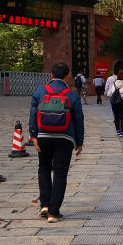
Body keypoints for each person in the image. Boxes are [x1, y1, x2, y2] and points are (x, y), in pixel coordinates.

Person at [28, 62, 84, 222]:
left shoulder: (40, 91)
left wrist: (34, 136)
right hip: (65, 138)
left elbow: (33, 115)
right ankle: (53, 212)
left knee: (44, 168)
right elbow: (79, 120)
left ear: (51, 75)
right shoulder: (72, 95)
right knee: (60, 173)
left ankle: (44, 204)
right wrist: (79, 142)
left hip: (43, 136)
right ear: (67, 76)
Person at [106, 67, 123, 137]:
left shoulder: (114, 84)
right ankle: (122, 131)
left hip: (114, 102)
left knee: (116, 116)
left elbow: (112, 92)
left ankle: (117, 130)